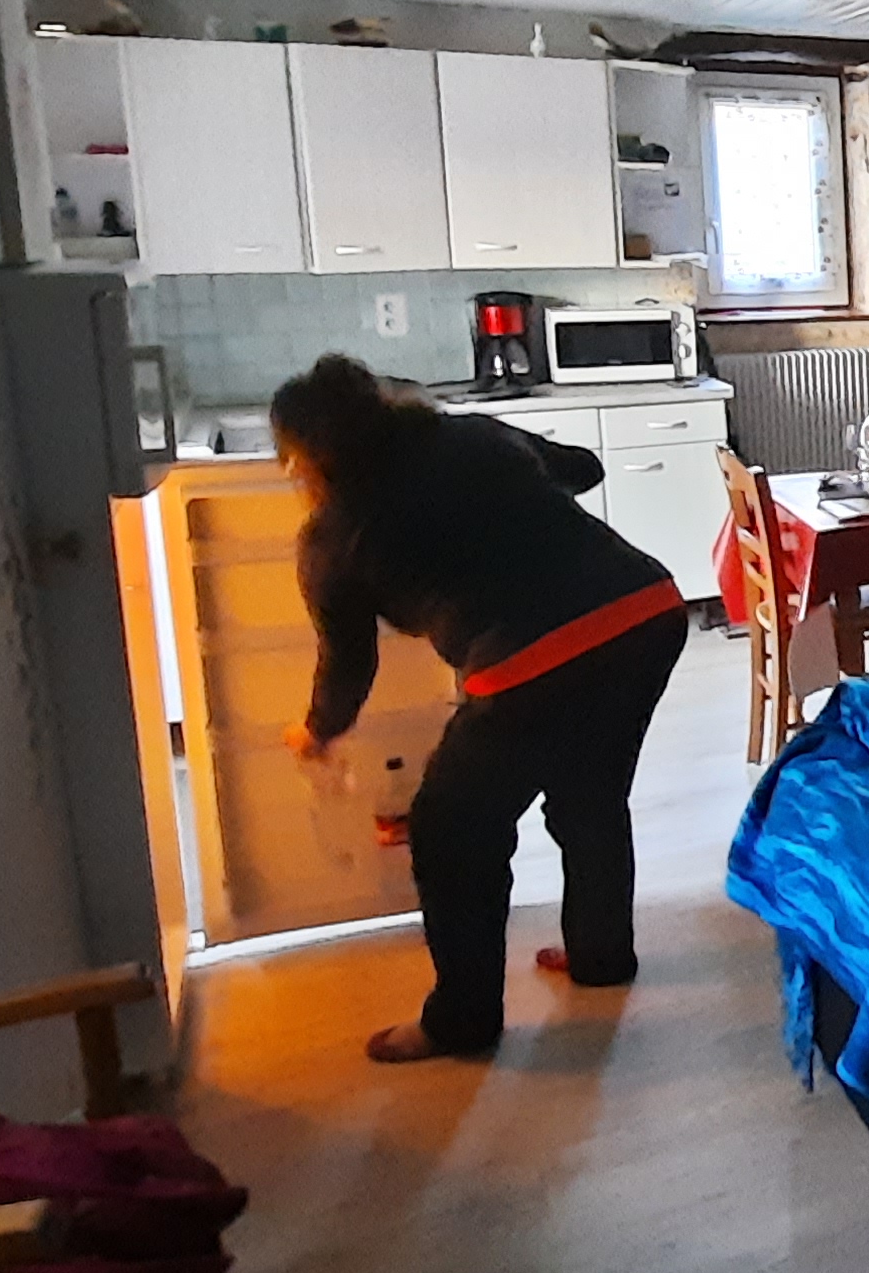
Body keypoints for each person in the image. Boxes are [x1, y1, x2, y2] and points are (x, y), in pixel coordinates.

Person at [267, 354, 686, 1062]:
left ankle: (461, 1020)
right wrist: (515, 485)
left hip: (527, 662)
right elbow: (584, 467)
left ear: (302, 458)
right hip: (642, 613)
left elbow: (349, 664)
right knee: (589, 794)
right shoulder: (471, 434)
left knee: (451, 832)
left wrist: (317, 731)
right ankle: (601, 955)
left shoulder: (333, 537)